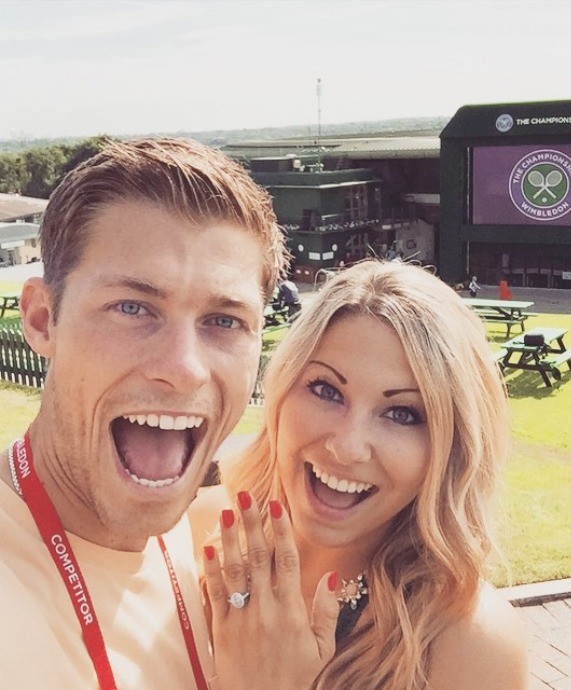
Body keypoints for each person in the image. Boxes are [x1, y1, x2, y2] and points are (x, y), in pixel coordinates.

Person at [0, 137, 338, 690]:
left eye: (224, 321)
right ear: (42, 320)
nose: (184, 369)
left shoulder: (213, 552)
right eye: (132, 308)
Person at [194, 260, 529, 689]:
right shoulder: (195, 533)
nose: (347, 447)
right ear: (281, 389)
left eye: (402, 414)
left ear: (449, 450)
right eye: (326, 390)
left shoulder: (471, 644)